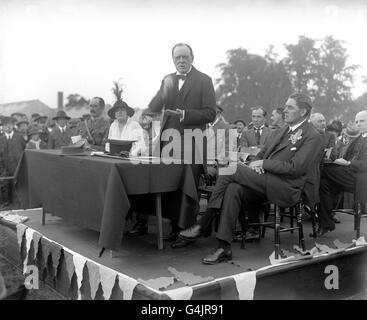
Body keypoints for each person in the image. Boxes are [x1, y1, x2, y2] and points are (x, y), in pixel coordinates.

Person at [176, 93, 322, 263]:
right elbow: (259, 154)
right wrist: (255, 164)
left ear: (303, 111)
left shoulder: (313, 136)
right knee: (233, 188)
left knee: (231, 169)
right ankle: (224, 246)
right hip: (264, 181)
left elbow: (295, 168)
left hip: (285, 187)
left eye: (290, 107)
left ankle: (204, 222)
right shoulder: (282, 130)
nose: (285, 111)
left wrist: (263, 164)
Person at [143, 43, 216, 244]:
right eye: (178, 58)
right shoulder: (167, 80)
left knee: (188, 186)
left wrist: (185, 114)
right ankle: (175, 228)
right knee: (170, 185)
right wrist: (147, 115)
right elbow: (157, 103)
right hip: (168, 140)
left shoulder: (204, 80)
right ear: (173, 60)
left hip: (192, 141)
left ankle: (187, 232)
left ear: (193, 57)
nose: (181, 61)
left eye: (185, 57)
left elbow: (211, 112)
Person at [317, 110, 367, 235]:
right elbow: (347, 156)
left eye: (362, 121)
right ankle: (326, 223)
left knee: (322, 170)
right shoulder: (358, 139)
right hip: (350, 175)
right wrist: (339, 160)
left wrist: (348, 163)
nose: (358, 124)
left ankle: (320, 215)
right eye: (356, 122)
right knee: (323, 183)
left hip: (361, 179)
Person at [0, 117, 26, 206]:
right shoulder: (1, 139)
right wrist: (2, 170)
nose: (8, 127)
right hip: (4, 169)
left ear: (13, 126)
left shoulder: (19, 137)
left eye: (10, 124)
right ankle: (6, 204)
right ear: (2, 127)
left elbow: (24, 152)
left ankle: (17, 205)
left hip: (18, 168)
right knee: (5, 187)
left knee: (17, 187)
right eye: (5, 125)